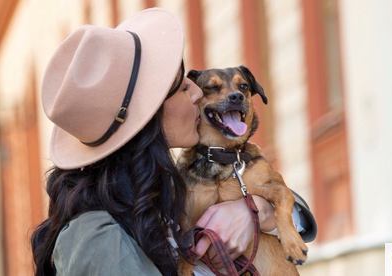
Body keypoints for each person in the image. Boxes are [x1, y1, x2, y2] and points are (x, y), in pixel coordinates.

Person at [31, 8, 316, 276]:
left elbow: (293, 211)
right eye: (181, 87)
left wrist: (253, 210)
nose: (196, 93)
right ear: (148, 119)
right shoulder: (97, 239)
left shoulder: (157, 186)